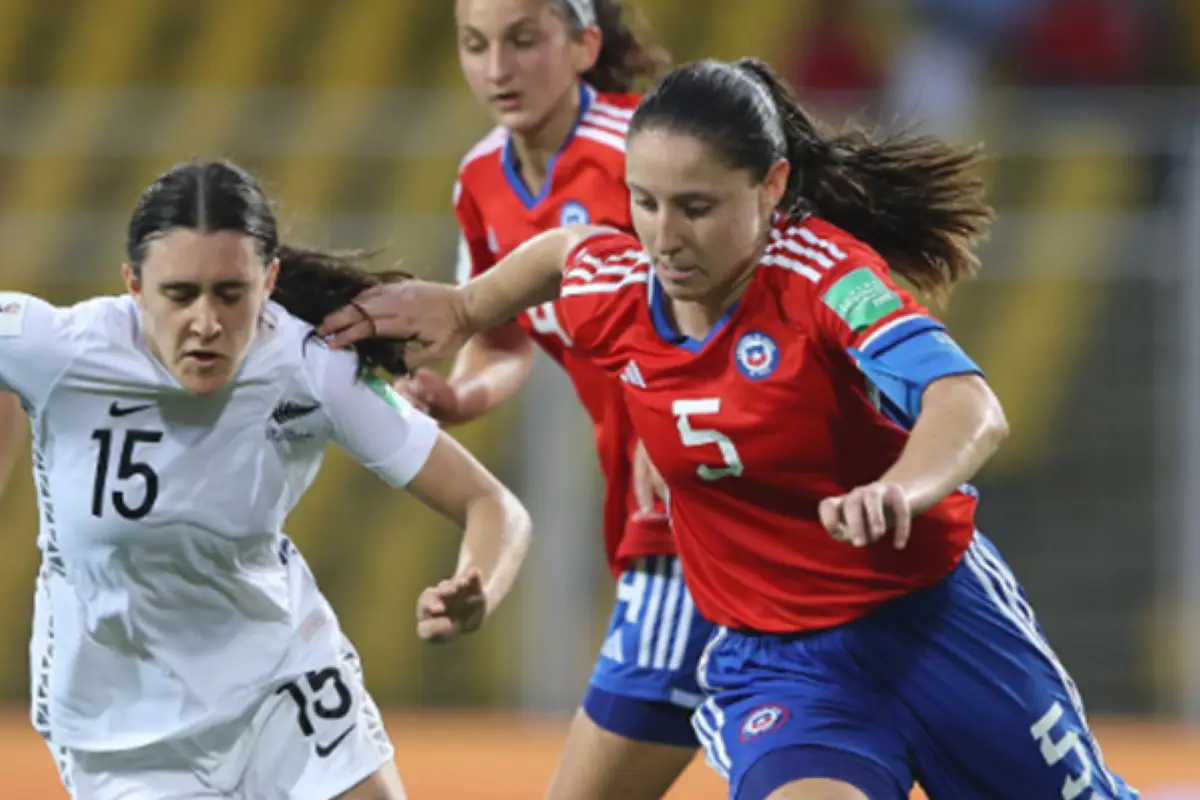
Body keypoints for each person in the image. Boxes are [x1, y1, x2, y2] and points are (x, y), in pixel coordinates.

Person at [321, 58, 1140, 800]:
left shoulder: (824, 280)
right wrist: (467, 307)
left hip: (935, 626)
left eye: (697, 207)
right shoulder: (620, 287)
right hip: (784, 667)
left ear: (772, 186)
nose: (665, 239)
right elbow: (567, 252)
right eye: (644, 203)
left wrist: (901, 487)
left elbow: (966, 404)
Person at [2, 158, 532, 800]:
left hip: (279, 680)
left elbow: (491, 504)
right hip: (120, 727)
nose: (206, 322)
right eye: (179, 294)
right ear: (134, 286)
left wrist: (479, 584)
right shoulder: (58, 348)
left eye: (231, 293)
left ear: (270, 280)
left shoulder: (311, 365)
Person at [422, 3, 708, 799]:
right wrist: (459, 393)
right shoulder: (481, 180)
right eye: (475, 46)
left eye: (523, 41)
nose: (497, 69)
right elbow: (503, 332)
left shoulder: (644, 153)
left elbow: (740, 291)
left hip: (701, 496)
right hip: (652, 495)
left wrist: (679, 406)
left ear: (585, 46)